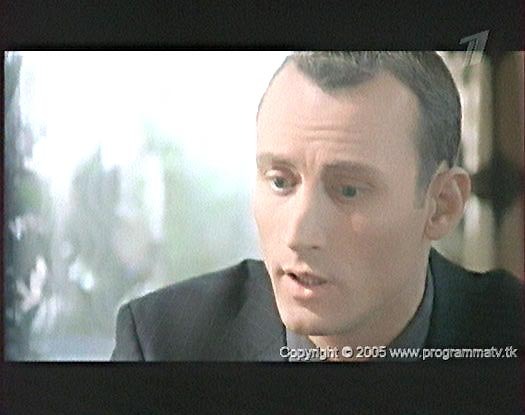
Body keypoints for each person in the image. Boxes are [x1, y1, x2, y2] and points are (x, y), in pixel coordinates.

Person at [111, 52, 523, 361]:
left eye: (349, 191)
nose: (298, 235)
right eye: (280, 181)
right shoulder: (163, 343)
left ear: (441, 206)